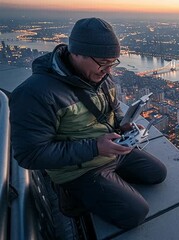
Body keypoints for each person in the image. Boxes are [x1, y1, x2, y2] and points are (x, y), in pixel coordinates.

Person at [9, 17, 167, 229]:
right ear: (76, 53)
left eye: (113, 62)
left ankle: (108, 180)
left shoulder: (101, 77)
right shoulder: (35, 94)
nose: (108, 70)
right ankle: (72, 193)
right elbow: (29, 155)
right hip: (78, 170)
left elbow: (113, 112)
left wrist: (125, 124)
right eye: (103, 63)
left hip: (110, 150)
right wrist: (94, 147)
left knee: (157, 173)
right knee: (135, 213)